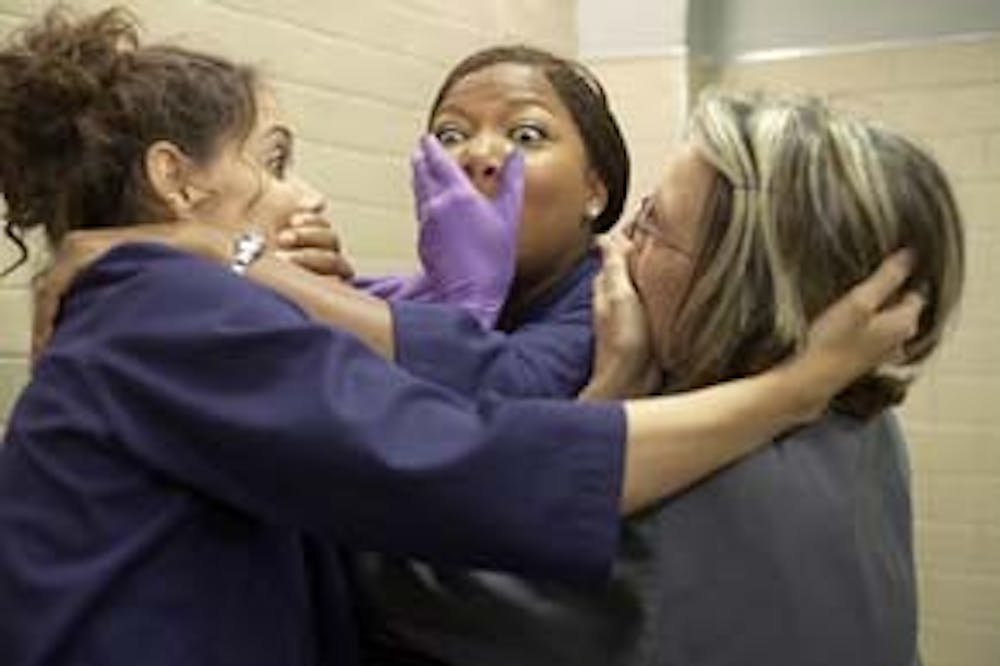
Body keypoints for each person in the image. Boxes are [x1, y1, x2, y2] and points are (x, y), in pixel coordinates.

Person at [0, 8, 922, 666]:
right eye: (449, 134)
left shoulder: (610, 321)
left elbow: (474, 461)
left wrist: (232, 252)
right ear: (174, 177)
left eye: (526, 134)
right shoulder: (180, 308)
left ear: (599, 188)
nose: (480, 157)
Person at [355, 92, 964, 666]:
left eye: (650, 226)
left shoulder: (670, 500)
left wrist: (608, 395)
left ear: (739, 288)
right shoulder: (866, 430)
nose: (616, 248)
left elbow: (403, 579)